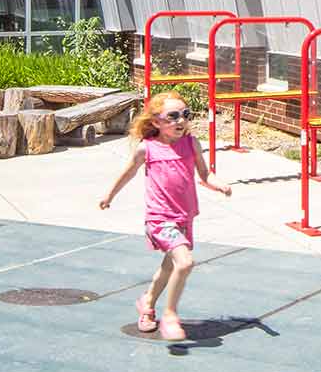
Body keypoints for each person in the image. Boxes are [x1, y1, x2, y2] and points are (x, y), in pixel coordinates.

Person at [98, 94, 233, 341]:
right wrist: (109, 195)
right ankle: (170, 315)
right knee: (184, 262)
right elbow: (127, 174)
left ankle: (147, 303)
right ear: (157, 122)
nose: (181, 120)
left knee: (169, 266)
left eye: (185, 114)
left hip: (184, 217)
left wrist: (219, 184)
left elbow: (204, 174)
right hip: (160, 219)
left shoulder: (191, 144)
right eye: (173, 116)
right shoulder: (146, 148)